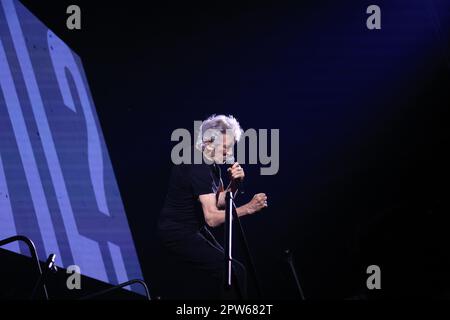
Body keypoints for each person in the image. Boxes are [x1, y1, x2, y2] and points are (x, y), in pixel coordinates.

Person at [157, 114, 268, 299]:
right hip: (177, 233)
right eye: (226, 147)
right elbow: (212, 218)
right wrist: (249, 208)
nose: (229, 153)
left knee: (233, 271)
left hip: (193, 229)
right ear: (209, 141)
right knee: (233, 272)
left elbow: (220, 201)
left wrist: (235, 183)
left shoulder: (211, 165)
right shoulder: (196, 163)